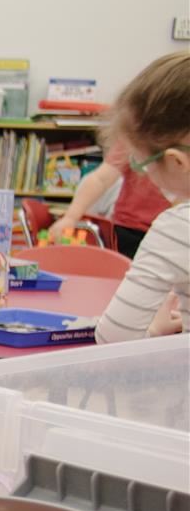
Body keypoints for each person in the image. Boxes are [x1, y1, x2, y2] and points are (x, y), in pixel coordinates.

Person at [96, 52, 190, 343]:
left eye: (141, 163)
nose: (142, 173)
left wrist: (154, 333)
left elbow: (114, 337)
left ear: (177, 162)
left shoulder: (177, 227)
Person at [47, 145, 171, 260]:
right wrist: (70, 217)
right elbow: (100, 179)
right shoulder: (134, 137)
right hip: (128, 230)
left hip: (171, 233)